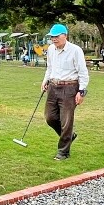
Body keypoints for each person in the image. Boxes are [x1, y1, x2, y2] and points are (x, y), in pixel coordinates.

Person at [41, 24, 89, 161]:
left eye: (56, 36)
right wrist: (45, 81)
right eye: (52, 37)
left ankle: (63, 152)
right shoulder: (51, 49)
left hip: (69, 88)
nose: (54, 39)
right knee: (50, 117)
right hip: (53, 87)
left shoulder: (75, 50)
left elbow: (83, 72)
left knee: (66, 121)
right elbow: (50, 68)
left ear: (65, 36)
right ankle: (69, 136)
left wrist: (81, 91)